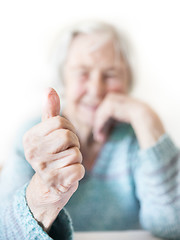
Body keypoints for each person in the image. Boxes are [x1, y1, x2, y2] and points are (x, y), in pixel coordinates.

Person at [0, 21, 180, 239]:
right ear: (63, 78)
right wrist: (44, 193)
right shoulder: (34, 135)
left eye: (111, 74)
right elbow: (6, 230)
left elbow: (171, 226)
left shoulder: (135, 139)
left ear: (127, 81)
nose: (96, 90)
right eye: (82, 73)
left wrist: (146, 117)